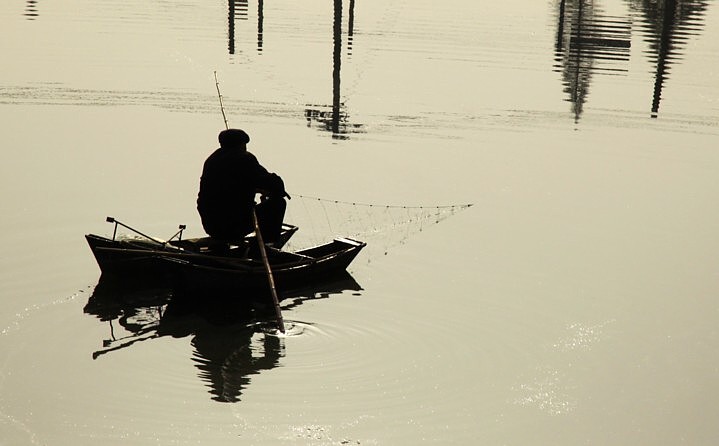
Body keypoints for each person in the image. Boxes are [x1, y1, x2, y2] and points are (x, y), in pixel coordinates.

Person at [197, 129, 288, 244]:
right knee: (278, 203)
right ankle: (267, 245)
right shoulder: (244, 159)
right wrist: (274, 191)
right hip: (233, 224)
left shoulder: (212, 160)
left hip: (211, 225)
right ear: (241, 145)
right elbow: (274, 184)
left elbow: (230, 187)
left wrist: (254, 188)